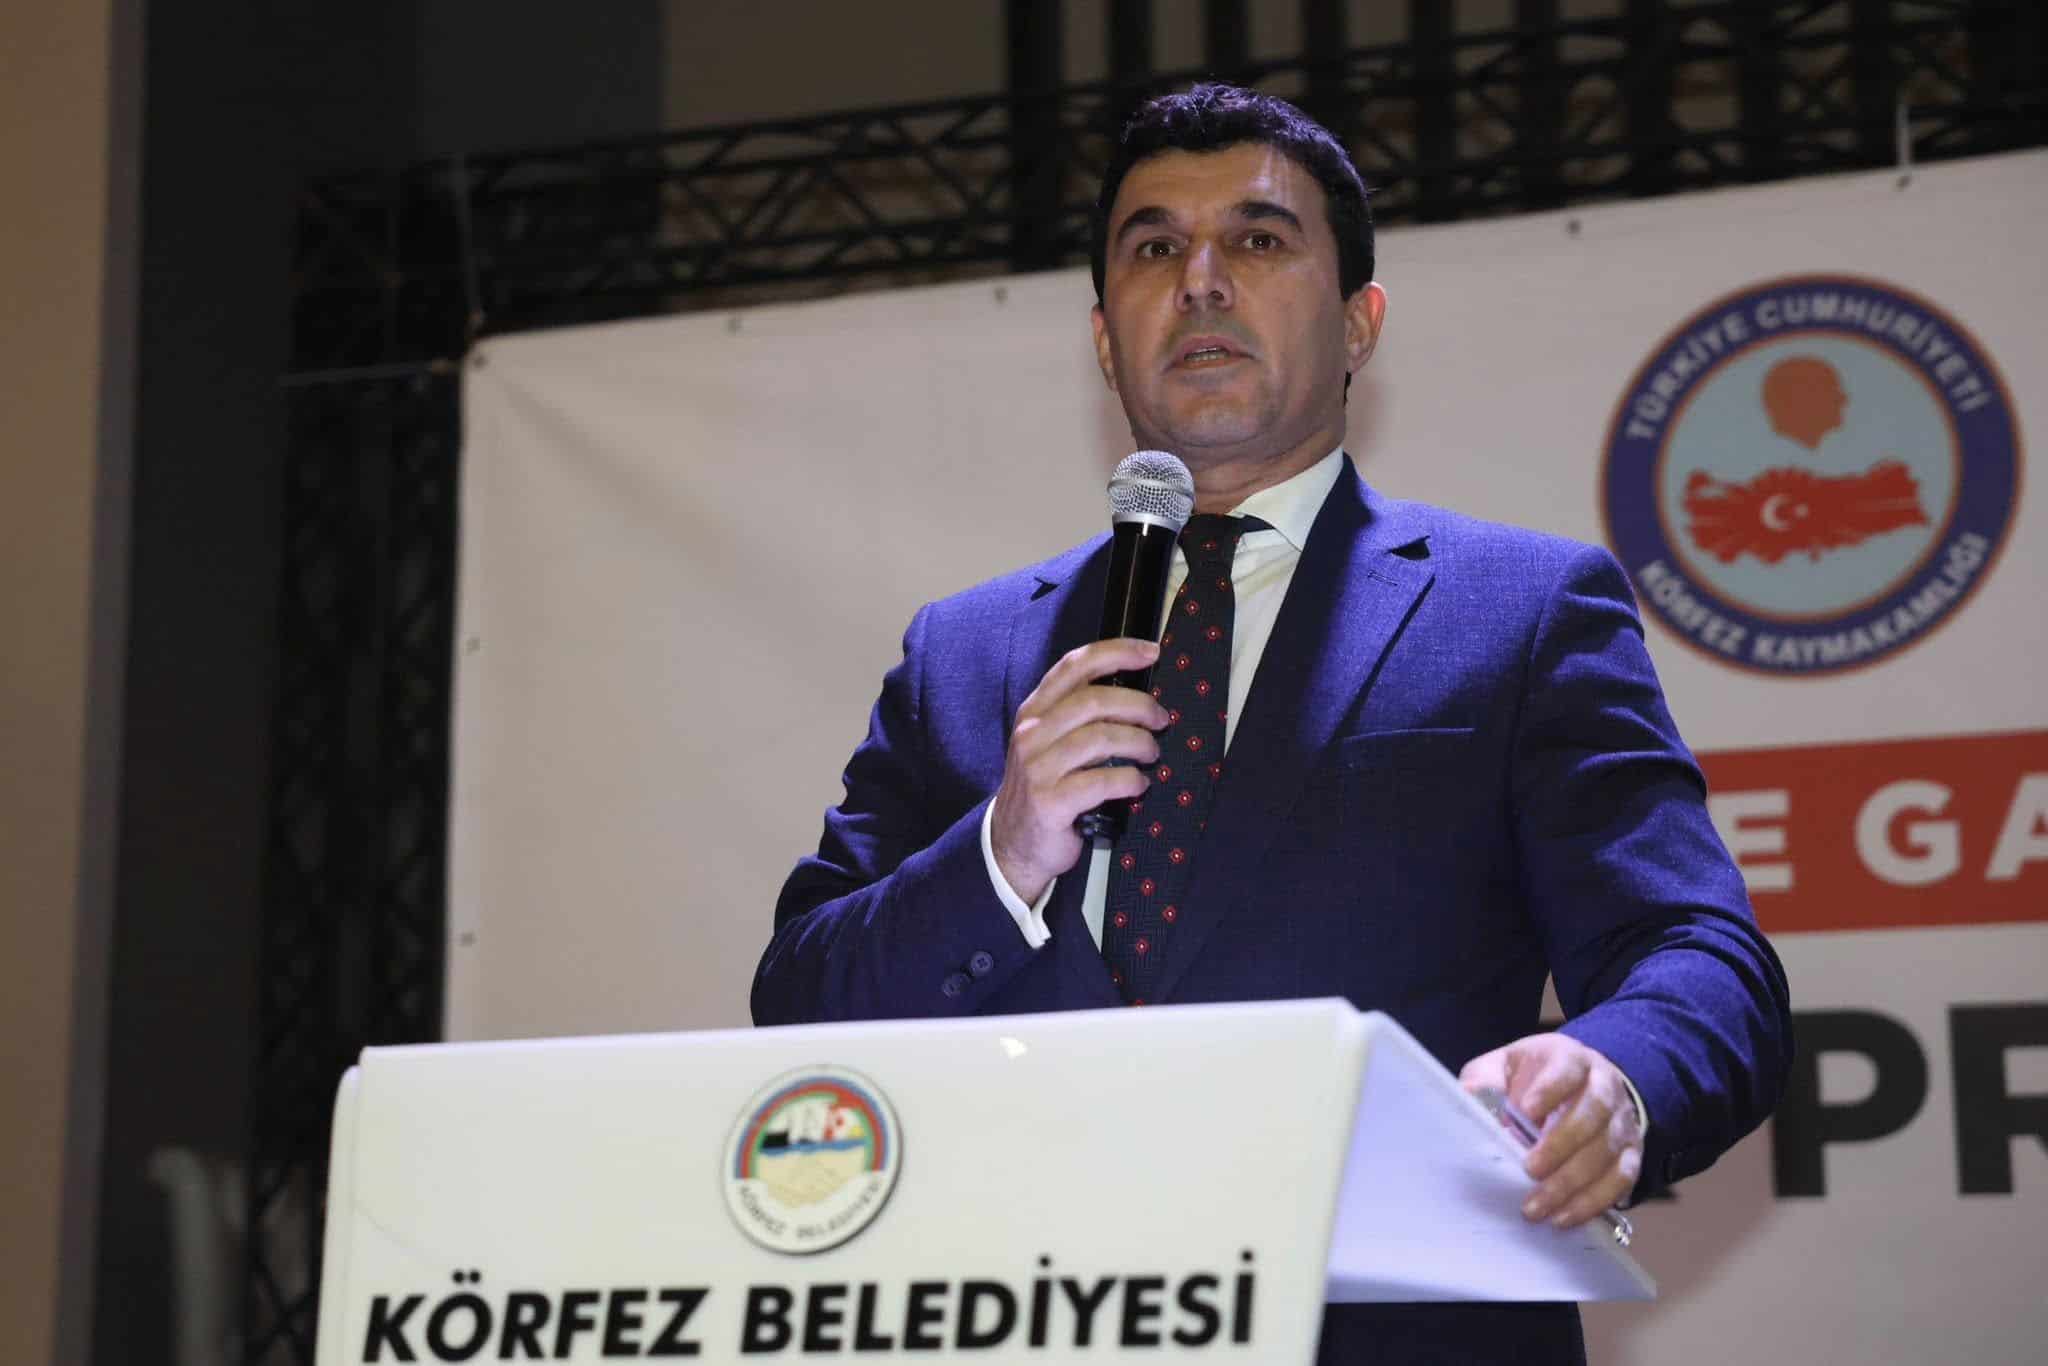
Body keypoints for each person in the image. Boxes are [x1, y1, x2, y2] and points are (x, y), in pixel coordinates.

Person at [754, 83, 1791, 1364]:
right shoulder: (961, 653)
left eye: (1255, 239)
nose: (1198, 281)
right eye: (1152, 248)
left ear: (1357, 323)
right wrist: (998, 855)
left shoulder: (1518, 612)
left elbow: (1695, 954)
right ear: (1102, 339)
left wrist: (1617, 1077)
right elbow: (797, 1004)